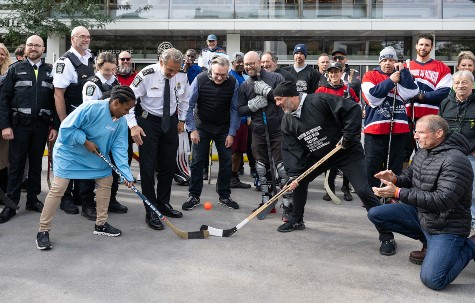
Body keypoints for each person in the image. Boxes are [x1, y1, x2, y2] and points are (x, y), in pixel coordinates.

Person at [273, 81, 396, 254]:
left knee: (363, 191)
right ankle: (296, 219)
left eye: (279, 99)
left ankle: (386, 235)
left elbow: (352, 109)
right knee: (299, 180)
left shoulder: (318, 100)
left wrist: (348, 135)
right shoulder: (287, 122)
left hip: (347, 152)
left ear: (292, 96)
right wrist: (294, 175)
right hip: (320, 157)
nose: (277, 104)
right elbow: (291, 150)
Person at [368, 115, 475, 290]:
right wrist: (395, 178)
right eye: (415, 132)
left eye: (420, 132)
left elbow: (443, 200)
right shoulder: (423, 151)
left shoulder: (455, 161)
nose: (415, 136)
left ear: (439, 133)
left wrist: (397, 192)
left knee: (433, 280)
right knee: (376, 214)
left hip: (447, 226)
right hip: (424, 216)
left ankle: (471, 245)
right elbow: (409, 177)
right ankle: (428, 242)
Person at [36, 86, 135, 250]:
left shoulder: (121, 121)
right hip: (70, 153)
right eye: (127, 108)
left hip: (95, 155)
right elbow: (66, 129)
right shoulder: (91, 107)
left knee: (107, 179)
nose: (127, 113)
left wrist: (126, 174)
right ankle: (43, 231)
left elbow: (119, 148)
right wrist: (84, 141)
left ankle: (101, 224)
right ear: (116, 103)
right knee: (59, 188)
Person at [127, 47, 190, 230]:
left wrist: (181, 119)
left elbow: (184, 99)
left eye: (176, 70)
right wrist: (133, 126)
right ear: (161, 62)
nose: (173, 74)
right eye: (170, 70)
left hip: (170, 122)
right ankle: (151, 209)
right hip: (148, 123)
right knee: (147, 168)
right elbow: (129, 100)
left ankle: (163, 203)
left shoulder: (181, 75)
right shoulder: (146, 74)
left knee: (168, 166)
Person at [0, 35, 57, 223]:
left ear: (43, 49)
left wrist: (54, 126)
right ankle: (11, 204)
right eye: (30, 45)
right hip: (19, 127)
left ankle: (32, 199)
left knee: (35, 165)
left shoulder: (51, 71)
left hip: (41, 126)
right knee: (16, 165)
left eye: (37, 45)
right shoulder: (14, 69)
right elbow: (4, 100)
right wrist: (5, 126)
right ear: (25, 48)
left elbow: (57, 101)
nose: (33, 48)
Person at [182, 55, 240, 211]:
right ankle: (194, 196)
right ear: (210, 71)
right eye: (217, 74)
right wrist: (192, 129)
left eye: (223, 75)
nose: (220, 78)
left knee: (226, 162)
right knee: (197, 161)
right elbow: (189, 105)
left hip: (223, 128)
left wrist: (231, 133)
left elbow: (235, 109)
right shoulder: (199, 80)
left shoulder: (233, 83)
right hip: (202, 126)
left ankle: (224, 196)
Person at [52, 26, 95, 217]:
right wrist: (64, 124)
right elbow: (59, 95)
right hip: (72, 116)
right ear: (72, 38)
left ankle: (83, 197)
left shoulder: (91, 58)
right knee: (69, 160)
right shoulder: (65, 62)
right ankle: (66, 197)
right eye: (82, 36)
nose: (86, 39)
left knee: (86, 158)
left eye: (88, 36)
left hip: (89, 119)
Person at [362, 46, 418, 190]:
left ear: (396, 62)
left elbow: (411, 92)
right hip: (375, 128)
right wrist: (390, 81)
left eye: (391, 60)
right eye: (384, 60)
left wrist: (404, 72)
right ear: (379, 62)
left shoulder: (403, 75)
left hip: (398, 129)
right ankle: (372, 195)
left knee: (395, 165)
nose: (388, 63)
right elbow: (372, 97)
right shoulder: (370, 75)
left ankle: (391, 194)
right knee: (372, 164)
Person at [238, 51, 287, 214]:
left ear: (259, 62)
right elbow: (240, 109)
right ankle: (267, 201)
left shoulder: (276, 78)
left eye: (251, 63)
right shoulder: (245, 85)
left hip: (277, 130)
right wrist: (252, 106)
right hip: (258, 131)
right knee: (261, 168)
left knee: (282, 169)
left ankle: (288, 204)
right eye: (246, 64)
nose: (248, 67)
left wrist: (269, 93)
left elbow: (286, 100)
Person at [82, 52, 128, 214]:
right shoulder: (92, 85)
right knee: (90, 169)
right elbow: (90, 111)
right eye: (106, 70)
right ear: (98, 67)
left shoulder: (115, 82)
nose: (109, 73)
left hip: (112, 131)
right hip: (95, 132)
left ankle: (111, 200)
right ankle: (87, 204)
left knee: (112, 168)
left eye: (112, 69)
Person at [315, 62, 359, 201]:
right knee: (330, 162)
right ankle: (330, 188)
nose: (334, 74)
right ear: (328, 74)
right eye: (331, 72)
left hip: (345, 130)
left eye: (336, 72)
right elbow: (314, 108)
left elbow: (356, 107)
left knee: (346, 161)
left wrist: (349, 102)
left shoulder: (348, 90)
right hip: (329, 131)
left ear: (341, 73)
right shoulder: (321, 90)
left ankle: (346, 188)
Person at [439, 70, 475, 232]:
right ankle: (449, 216)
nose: (460, 85)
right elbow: (439, 128)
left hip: (472, 154)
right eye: (457, 83)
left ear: (472, 85)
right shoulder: (446, 102)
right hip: (449, 154)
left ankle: (473, 219)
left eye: (464, 82)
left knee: (472, 189)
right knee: (448, 186)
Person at [229, 52, 251, 189]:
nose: (241, 64)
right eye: (238, 61)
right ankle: (225, 178)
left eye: (243, 61)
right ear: (232, 62)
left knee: (238, 151)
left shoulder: (245, 78)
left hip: (243, 121)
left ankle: (233, 177)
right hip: (232, 121)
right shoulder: (229, 77)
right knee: (230, 151)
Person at [0, 43, 13, 198]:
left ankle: (3, 193)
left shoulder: (9, 74)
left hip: (3, 122)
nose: (1, 57)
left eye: (3, 54)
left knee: (3, 159)